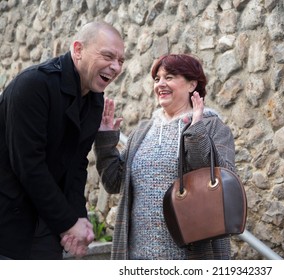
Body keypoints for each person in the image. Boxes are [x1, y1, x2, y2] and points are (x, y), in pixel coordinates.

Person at [0, 21, 125, 260]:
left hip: (46, 224)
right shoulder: (33, 85)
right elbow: (29, 165)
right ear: (78, 50)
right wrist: (68, 222)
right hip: (8, 221)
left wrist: (78, 218)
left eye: (121, 60)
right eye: (108, 56)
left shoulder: (95, 100)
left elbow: (76, 166)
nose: (116, 67)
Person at [94, 53, 237, 259]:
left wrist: (196, 131)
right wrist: (106, 141)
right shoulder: (143, 130)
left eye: (169, 77)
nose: (160, 84)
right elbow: (113, 183)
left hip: (191, 256)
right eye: (157, 78)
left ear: (191, 85)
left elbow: (218, 182)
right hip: (137, 256)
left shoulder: (213, 127)